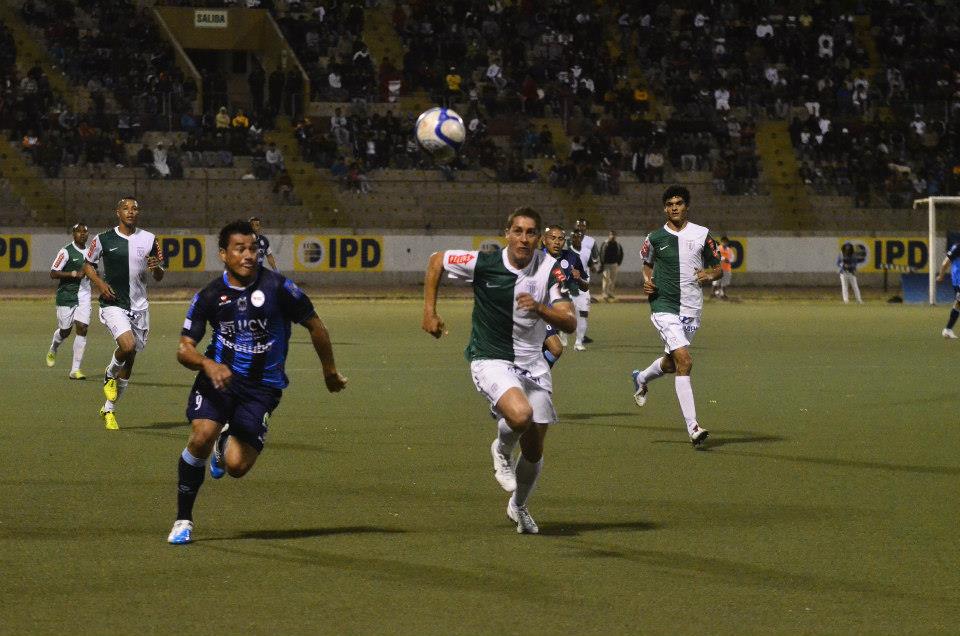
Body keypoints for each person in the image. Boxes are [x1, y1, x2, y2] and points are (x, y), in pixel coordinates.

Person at [167, 220, 347, 545]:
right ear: (224, 254)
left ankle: (225, 444)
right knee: (201, 436)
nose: (249, 255)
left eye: (253, 248)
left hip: (262, 388)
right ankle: (183, 520)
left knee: (236, 466)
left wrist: (329, 371)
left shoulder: (279, 288)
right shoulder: (210, 296)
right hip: (219, 378)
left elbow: (316, 325)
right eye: (240, 249)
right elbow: (184, 349)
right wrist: (208, 364)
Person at [421, 207, 576, 534]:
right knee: (521, 416)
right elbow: (436, 260)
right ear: (507, 234)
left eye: (530, 232)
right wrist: (429, 312)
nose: (524, 238)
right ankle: (502, 449)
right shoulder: (485, 262)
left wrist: (540, 308)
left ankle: (518, 506)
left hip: (533, 364)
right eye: (518, 231)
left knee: (534, 449)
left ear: (539, 238)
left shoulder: (550, 269)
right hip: (490, 357)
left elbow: (569, 321)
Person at [631, 186, 721, 447]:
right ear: (664, 208)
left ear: (686, 206)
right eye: (670, 204)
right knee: (685, 361)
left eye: (679, 203)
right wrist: (647, 281)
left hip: (691, 308)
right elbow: (647, 264)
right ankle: (693, 427)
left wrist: (709, 275)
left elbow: (719, 269)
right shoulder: (655, 237)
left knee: (672, 364)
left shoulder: (702, 235)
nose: (674, 208)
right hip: (663, 305)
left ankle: (641, 377)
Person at [82, 197, 164, 430]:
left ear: (138, 213)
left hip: (139, 307)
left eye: (134, 208)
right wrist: (100, 284)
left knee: (130, 359)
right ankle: (109, 374)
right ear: (117, 212)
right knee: (127, 345)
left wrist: (156, 268)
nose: (130, 211)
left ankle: (109, 409)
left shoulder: (150, 239)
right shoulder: (103, 239)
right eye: (125, 208)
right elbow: (87, 265)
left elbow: (159, 275)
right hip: (113, 302)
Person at [47, 222, 92, 379]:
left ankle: (75, 370)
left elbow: (92, 270)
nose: (82, 234)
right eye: (79, 231)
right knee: (65, 331)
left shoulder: (91, 252)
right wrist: (73, 274)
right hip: (66, 295)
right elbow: (53, 273)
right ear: (73, 234)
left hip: (84, 295)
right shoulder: (66, 251)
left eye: (85, 231)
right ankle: (54, 347)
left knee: (82, 328)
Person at [540, 224, 588, 364]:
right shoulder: (535, 258)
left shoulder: (572, 258)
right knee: (556, 349)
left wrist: (579, 279)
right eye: (553, 238)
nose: (557, 242)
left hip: (556, 313)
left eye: (560, 239)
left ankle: (532, 374)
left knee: (544, 352)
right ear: (544, 240)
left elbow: (585, 287)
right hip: (539, 311)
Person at [568, 227, 597, 349]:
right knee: (567, 315)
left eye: (579, 237)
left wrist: (596, 269)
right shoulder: (566, 253)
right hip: (569, 288)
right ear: (571, 239)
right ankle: (562, 338)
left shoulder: (587, 252)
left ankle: (578, 342)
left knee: (583, 314)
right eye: (574, 237)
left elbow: (590, 265)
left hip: (583, 287)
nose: (577, 239)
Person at [936, 241, 960, 338]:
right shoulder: (957, 247)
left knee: (958, 304)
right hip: (958, 280)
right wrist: (941, 275)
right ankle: (947, 329)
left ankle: (948, 330)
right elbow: (946, 262)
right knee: (958, 304)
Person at [597, 230, 624, 302]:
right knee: (606, 278)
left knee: (612, 280)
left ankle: (610, 293)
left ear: (616, 236)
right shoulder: (605, 243)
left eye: (614, 235)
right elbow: (601, 253)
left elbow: (621, 254)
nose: (613, 236)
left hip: (614, 264)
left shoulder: (618, 244)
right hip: (606, 264)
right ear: (609, 235)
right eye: (611, 235)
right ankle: (604, 293)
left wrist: (618, 263)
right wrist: (602, 264)